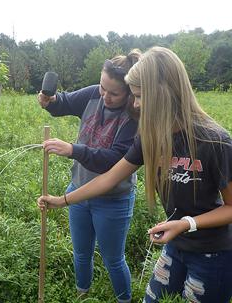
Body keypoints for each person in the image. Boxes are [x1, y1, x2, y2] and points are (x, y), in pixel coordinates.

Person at [38, 47, 232, 303]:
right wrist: (62, 200)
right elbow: (109, 177)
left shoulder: (214, 142)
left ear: (163, 93)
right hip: (176, 245)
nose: (136, 104)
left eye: (139, 96)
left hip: (213, 252)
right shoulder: (151, 137)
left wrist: (186, 224)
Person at [37, 49, 141, 303]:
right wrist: (49, 101)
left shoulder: (134, 115)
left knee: (113, 259)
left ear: (130, 93)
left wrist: (73, 150)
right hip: (79, 190)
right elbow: (65, 102)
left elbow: (114, 160)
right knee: (81, 253)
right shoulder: (95, 93)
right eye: (103, 88)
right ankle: (82, 295)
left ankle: (124, 299)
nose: (104, 95)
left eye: (113, 93)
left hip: (113, 198)